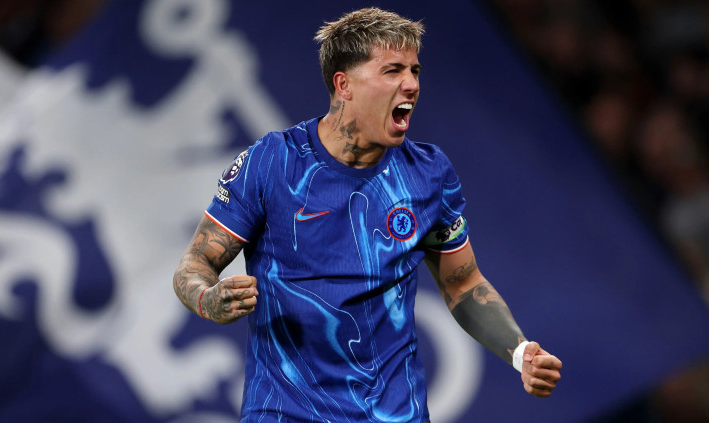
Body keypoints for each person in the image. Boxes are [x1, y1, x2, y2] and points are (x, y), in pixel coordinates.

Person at [173, 7, 562, 422]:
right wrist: (208, 299)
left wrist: (520, 351)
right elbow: (195, 264)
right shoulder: (270, 163)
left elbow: (463, 284)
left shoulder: (429, 174)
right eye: (393, 71)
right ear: (344, 85)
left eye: (414, 70)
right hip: (286, 413)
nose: (411, 84)